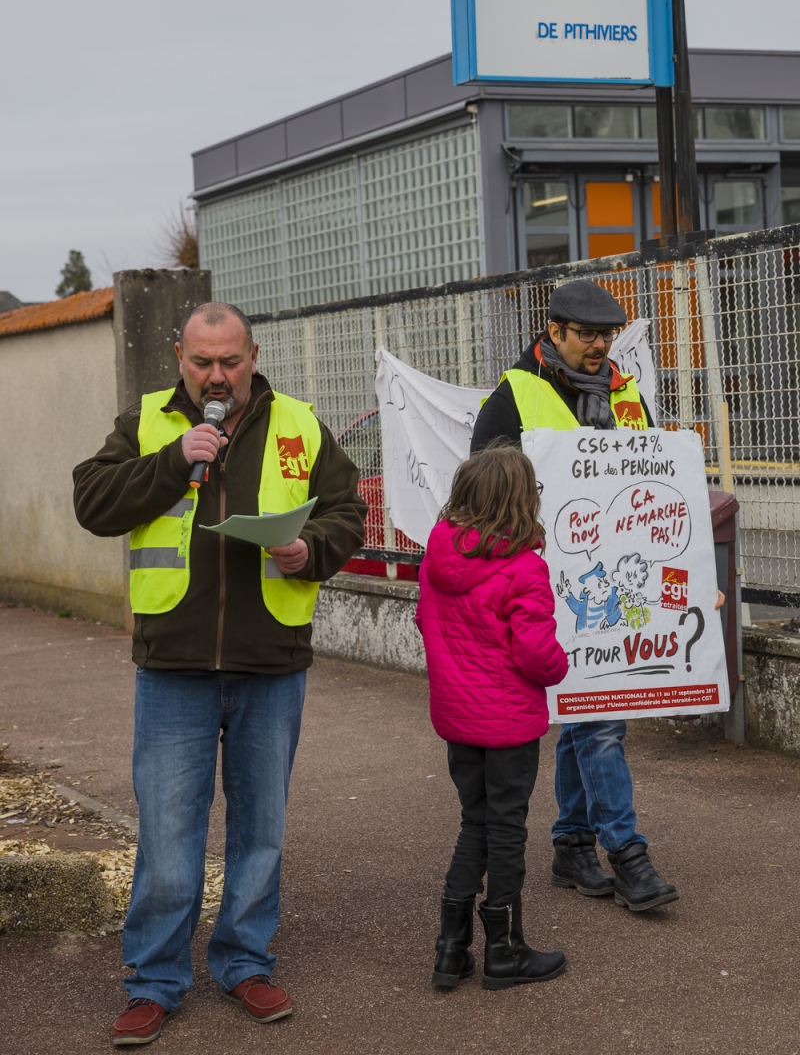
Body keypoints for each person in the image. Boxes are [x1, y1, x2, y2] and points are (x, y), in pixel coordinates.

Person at [73, 301, 367, 1046]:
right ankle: (155, 982)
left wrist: (311, 552)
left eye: (230, 360)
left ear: (254, 355)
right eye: (203, 361)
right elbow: (94, 502)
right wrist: (178, 461)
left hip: (272, 663)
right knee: (169, 837)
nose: (217, 375)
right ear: (179, 356)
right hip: (174, 666)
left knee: (260, 831)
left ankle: (245, 964)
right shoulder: (145, 425)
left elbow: (346, 510)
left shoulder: (300, 423)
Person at [471, 279, 678, 912]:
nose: (598, 346)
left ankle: (571, 842)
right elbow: (483, 491)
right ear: (553, 331)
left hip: (615, 583)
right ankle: (628, 853)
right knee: (604, 725)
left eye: (606, 335)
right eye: (586, 334)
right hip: (544, 585)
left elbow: (655, 475)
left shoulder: (628, 395)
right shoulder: (514, 395)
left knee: (593, 714)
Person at [415, 445, 569, 992]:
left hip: (457, 717)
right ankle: (504, 952)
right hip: (507, 722)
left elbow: (423, 622)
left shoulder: (436, 556)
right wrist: (561, 664)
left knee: (473, 824)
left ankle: (450, 950)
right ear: (521, 501)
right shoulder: (525, 566)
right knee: (506, 829)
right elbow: (536, 654)